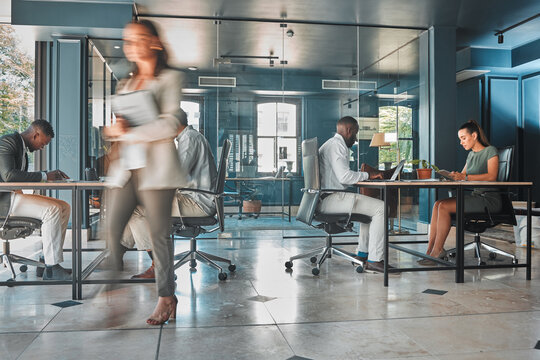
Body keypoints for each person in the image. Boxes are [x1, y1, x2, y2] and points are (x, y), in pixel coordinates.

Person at [104, 19, 187, 325]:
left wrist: (129, 132)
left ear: (155, 42)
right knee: (113, 230)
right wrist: (115, 131)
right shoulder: (124, 84)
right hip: (127, 169)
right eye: (127, 40)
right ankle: (114, 295)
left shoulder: (169, 79)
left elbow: (170, 125)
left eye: (138, 38)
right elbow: (122, 128)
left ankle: (166, 297)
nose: (132, 45)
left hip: (157, 172)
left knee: (158, 236)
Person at [120, 119, 218, 279]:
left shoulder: (190, 138)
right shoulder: (191, 137)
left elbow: (176, 173)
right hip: (196, 197)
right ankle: (118, 253)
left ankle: (158, 266)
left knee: (136, 208)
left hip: (198, 202)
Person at [420, 119, 500, 265]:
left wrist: (465, 177)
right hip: (476, 197)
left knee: (443, 206)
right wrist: (451, 177)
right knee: (438, 204)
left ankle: (438, 251)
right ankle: (430, 250)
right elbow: (463, 177)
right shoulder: (471, 155)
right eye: (460, 139)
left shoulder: (490, 151)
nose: (461, 142)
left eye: (463, 138)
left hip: (489, 200)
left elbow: (492, 176)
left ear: (474, 136)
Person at [0, 120, 71, 280]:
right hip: (3, 199)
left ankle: (47, 260)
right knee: (52, 209)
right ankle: (52, 269)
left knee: (64, 206)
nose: (41, 148)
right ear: (35, 134)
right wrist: (45, 176)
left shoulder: (21, 148)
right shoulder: (8, 142)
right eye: (42, 144)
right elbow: (9, 176)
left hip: (13, 196)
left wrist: (48, 174)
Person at [318, 116, 387, 273]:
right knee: (381, 208)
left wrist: (362, 175)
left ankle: (362, 255)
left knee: (370, 209)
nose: (355, 139)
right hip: (331, 199)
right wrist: (367, 175)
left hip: (324, 198)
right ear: (348, 130)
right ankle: (375, 260)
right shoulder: (337, 145)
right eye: (355, 134)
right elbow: (344, 177)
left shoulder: (330, 144)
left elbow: (341, 176)